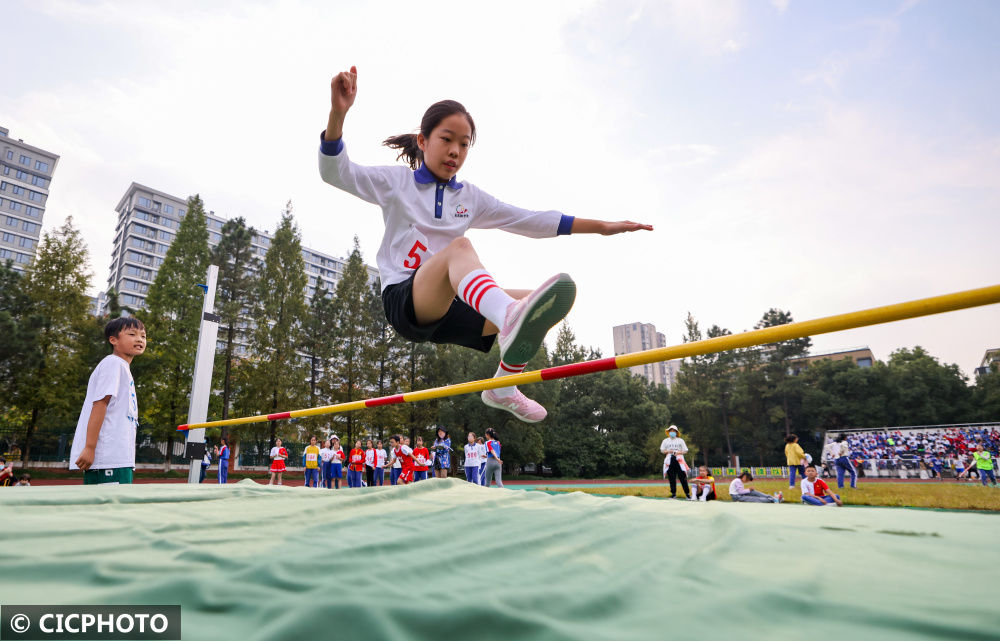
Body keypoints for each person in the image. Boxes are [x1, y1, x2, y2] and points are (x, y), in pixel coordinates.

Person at [318, 66, 652, 424]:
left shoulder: (470, 198)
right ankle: (507, 317)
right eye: (447, 139)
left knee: (537, 300)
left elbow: (529, 219)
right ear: (423, 140)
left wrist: (600, 227)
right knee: (462, 250)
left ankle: (504, 387)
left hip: (449, 307)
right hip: (405, 300)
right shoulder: (396, 183)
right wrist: (339, 113)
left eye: (464, 145)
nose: (455, 151)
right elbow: (336, 173)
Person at [70, 316, 146, 485]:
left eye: (143, 335)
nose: (139, 339)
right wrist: (90, 448)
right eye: (132, 334)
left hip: (119, 458)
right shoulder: (113, 363)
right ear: (113, 340)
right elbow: (100, 404)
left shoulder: (123, 367)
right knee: (106, 510)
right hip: (107, 459)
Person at [660, 425, 690, 499]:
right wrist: (668, 451)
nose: (672, 432)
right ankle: (673, 494)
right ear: (668, 432)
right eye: (671, 431)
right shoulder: (665, 440)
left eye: (674, 431)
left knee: (683, 477)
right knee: (672, 478)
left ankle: (687, 494)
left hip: (679, 459)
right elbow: (662, 450)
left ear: (676, 432)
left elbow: (686, 450)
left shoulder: (680, 440)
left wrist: (679, 453)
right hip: (669, 459)